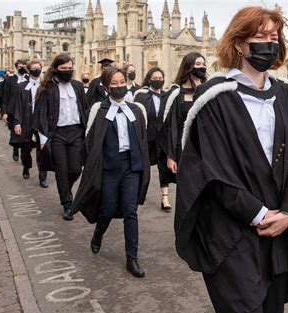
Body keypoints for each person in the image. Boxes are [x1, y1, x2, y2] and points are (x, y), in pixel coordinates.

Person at [174, 7, 288, 313]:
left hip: (279, 228)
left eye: (274, 36)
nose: (268, 43)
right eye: (259, 36)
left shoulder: (287, 96)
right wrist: (258, 214)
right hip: (232, 230)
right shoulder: (214, 97)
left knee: (272, 309)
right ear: (239, 44)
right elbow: (212, 171)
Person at [72, 67, 150, 278]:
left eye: (121, 82)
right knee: (106, 209)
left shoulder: (136, 110)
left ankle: (131, 258)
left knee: (130, 211)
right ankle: (98, 234)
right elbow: (90, 140)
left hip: (131, 167)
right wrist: (85, 165)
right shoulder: (99, 110)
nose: (118, 87)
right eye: (113, 84)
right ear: (106, 87)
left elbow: (143, 139)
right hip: (108, 167)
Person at [33, 54, 89, 221]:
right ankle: (67, 204)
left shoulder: (78, 86)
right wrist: (43, 139)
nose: (67, 71)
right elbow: (41, 113)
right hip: (56, 134)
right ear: (56, 69)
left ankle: (66, 189)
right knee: (61, 169)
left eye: (69, 69)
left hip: (76, 132)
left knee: (75, 169)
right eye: (63, 69)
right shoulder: (47, 88)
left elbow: (85, 109)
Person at [157, 52, 207, 177]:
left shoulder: (208, 92)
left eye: (203, 64)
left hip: (205, 147)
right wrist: (171, 156)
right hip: (182, 148)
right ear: (188, 67)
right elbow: (171, 127)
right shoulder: (177, 95)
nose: (202, 67)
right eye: (198, 64)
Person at [134, 66, 173, 210]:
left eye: (160, 79)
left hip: (162, 137)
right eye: (155, 79)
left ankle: (165, 198)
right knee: (144, 167)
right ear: (149, 79)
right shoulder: (142, 96)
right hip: (147, 137)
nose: (158, 81)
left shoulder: (167, 96)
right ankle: (136, 194)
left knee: (163, 168)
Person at [11, 59, 48, 187]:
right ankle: (26, 167)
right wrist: (17, 123)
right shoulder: (21, 87)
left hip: (41, 122)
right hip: (27, 122)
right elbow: (17, 106)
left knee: (42, 149)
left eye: (38, 67)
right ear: (29, 70)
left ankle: (42, 177)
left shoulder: (45, 86)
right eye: (33, 68)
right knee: (26, 149)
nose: (36, 70)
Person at [2, 59, 29, 161]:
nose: (22, 68)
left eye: (24, 66)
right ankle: (15, 149)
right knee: (14, 131)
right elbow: (5, 96)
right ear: (17, 67)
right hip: (12, 110)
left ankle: (23, 154)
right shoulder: (10, 80)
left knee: (24, 132)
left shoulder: (29, 78)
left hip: (25, 110)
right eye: (20, 67)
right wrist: (5, 112)